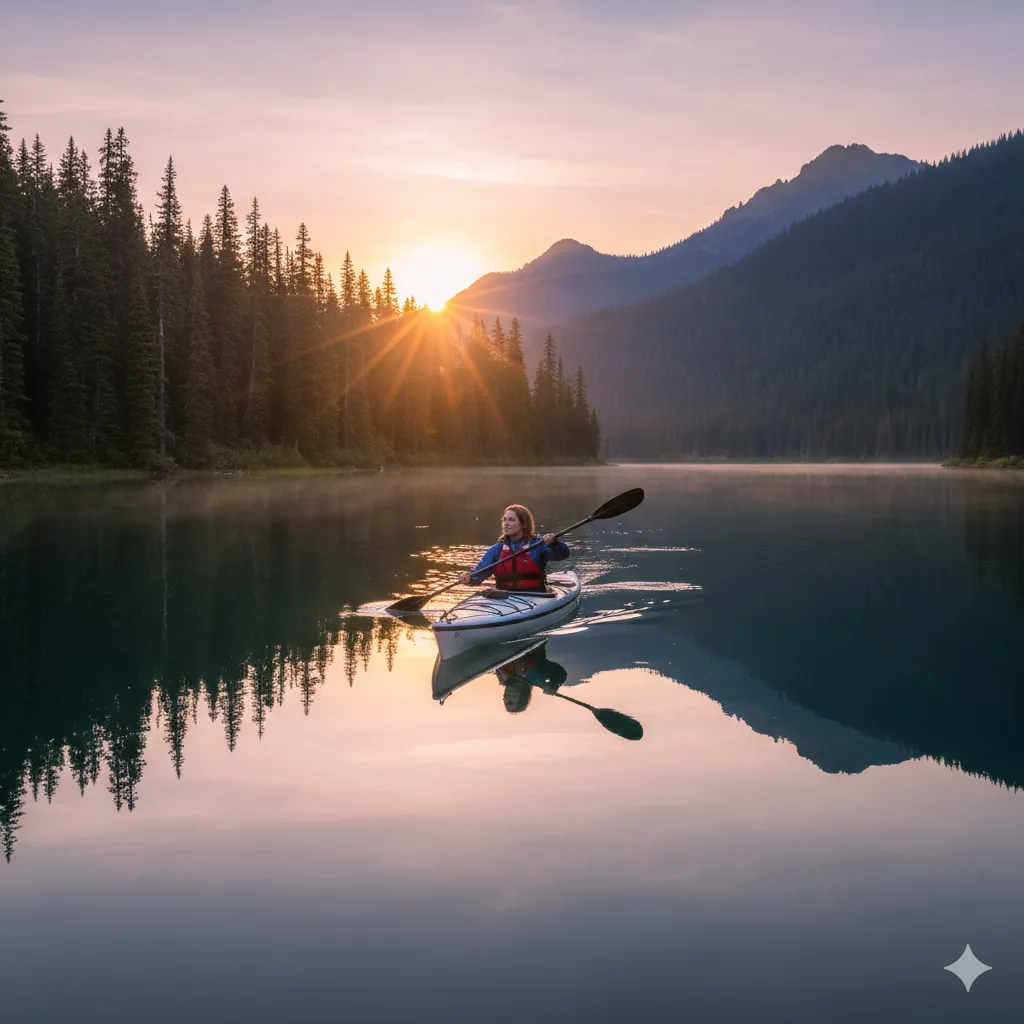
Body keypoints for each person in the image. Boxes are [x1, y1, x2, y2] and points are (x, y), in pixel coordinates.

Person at [457, 504, 569, 592]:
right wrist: (468, 577)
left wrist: (554, 544)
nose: (506, 523)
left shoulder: (538, 545)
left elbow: (562, 554)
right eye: (504, 520)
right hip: (505, 598)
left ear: (524, 524)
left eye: (511, 520)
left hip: (536, 595)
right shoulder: (497, 550)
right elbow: (479, 574)